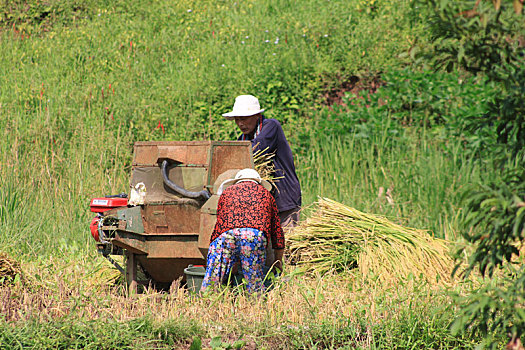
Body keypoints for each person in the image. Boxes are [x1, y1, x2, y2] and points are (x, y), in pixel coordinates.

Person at [222, 95, 302, 229]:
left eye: (244, 118)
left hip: (284, 196)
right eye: (237, 119)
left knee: (286, 243)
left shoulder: (271, 126)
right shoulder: (243, 138)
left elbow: (255, 149)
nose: (240, 123)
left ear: (257, 116)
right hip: (264, 200)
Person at [200, 169, 285, 293]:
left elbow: (220, 223)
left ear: (237, 182)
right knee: (254, 280)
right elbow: (277, 231)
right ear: (258, 183)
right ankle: (255, 304)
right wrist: (278, 261)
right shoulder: (266, 194)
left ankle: (206, 300)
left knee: (213, 278)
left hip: (225, 235)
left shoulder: (227, 192)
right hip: (253, 236)